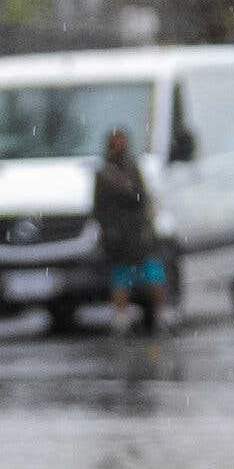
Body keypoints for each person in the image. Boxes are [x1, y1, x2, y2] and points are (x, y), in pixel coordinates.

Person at [92, 124, 164, 335]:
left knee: (153, 276)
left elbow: (141, 197)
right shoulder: (104, 173)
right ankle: (121, 318)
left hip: (138, 235)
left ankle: (156, 315)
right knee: (122, 279)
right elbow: (99, 207)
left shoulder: (132, 168)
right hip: (119, 237)